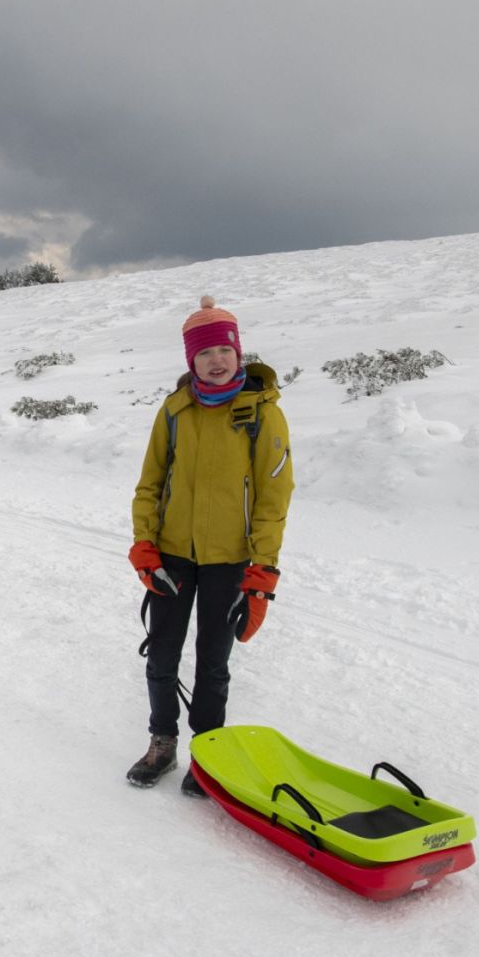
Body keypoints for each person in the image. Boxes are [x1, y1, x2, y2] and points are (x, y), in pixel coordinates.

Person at [126, 296, 295, 792]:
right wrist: (144, 544)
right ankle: (162, 743)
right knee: (161, 655)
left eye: (224, 350)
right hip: (172, 556)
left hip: (230, 560)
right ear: (191, 360)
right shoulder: (175, 411)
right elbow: (150, 483)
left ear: (238, 353)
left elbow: (274, 497)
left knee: (213, 661)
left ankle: (208, 754)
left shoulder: (262, 414)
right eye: (204, 353)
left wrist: (263, 571)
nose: (216, 360)